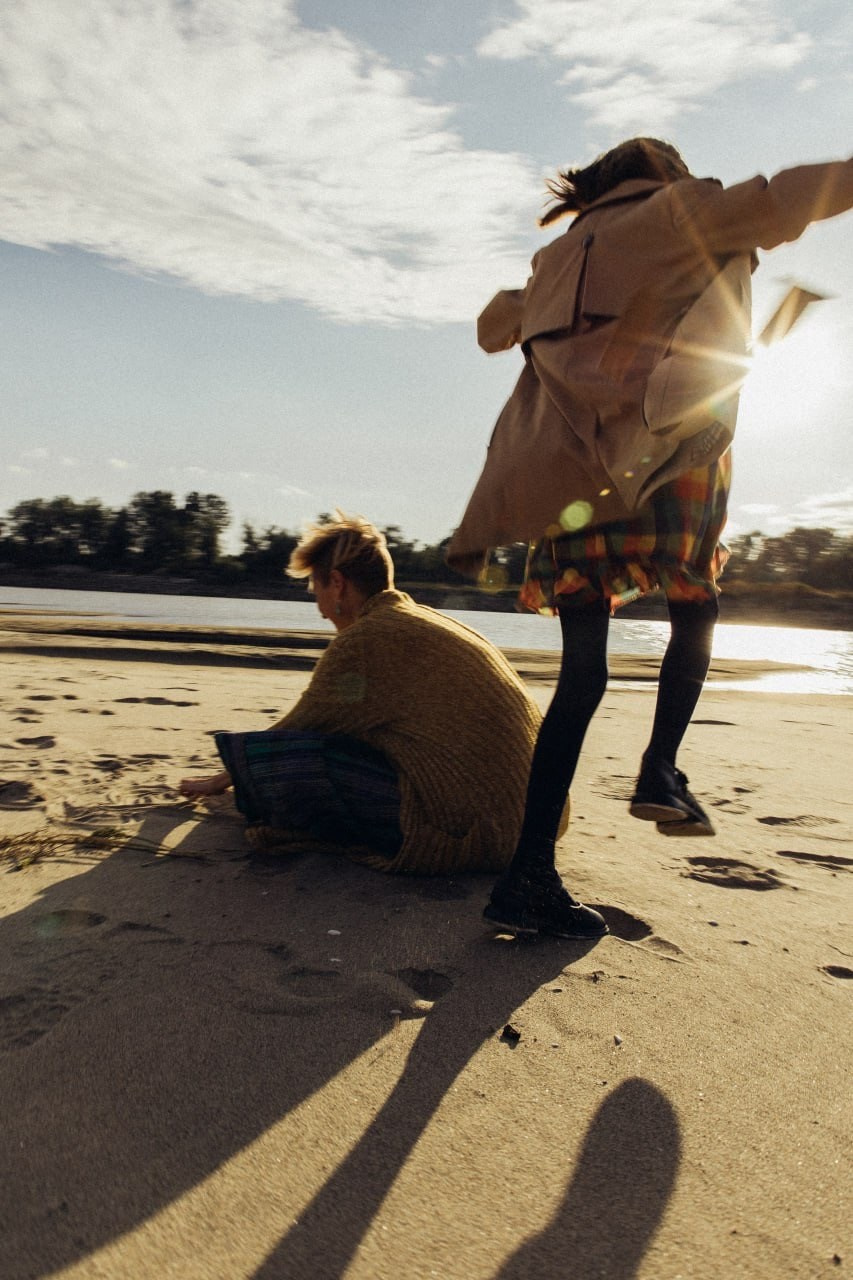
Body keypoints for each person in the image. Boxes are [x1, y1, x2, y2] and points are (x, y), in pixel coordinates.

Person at [447, 139, 853, 939]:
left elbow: (494, 329)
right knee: (694, 600)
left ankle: (527, 873)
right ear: (661, 173)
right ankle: (660, 769)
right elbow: (781, 197)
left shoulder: (556, 255)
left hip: (564, 481)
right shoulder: (677, 212)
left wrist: (536, 297)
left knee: (582, 676)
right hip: (659, 454)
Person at [180, 514, 597, 912]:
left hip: (483, 831)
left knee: (293, 762)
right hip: (540, 821)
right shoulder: (423, 619)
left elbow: (299, 731)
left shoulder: (367, 638)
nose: (319, 608)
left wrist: (227, 775)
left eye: (316, 590)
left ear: (338, 584)